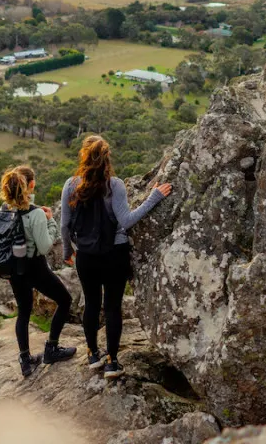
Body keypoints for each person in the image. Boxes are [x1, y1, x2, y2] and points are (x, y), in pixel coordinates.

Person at [61, 135, 171, 379]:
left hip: (86, 256)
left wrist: (68, 252)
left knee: (91, 303)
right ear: (107, 157)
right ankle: (111, 362)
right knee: (112, 307)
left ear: (84, 156)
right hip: (114, 254)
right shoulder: (115, 185)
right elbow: (127, 220)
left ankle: (92, 354)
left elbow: (64, 225)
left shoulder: (71, 185)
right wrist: (154, 197)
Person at [0, 166, 77, 377]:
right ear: (30, 185)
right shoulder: (35, 214)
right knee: (65, 300)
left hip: (15, 269)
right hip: (35, 267)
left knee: (23, 312)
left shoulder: (3, 211)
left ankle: (25, 360)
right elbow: (44, 247)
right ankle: (51, 348)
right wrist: (50, 220)